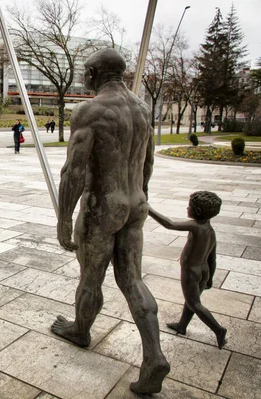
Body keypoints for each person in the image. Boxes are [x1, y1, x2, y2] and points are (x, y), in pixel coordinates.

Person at [51, 48, 169, 395]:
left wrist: (63, 217)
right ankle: (153, 356)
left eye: (84, 71)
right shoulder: (142, 108)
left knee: (91, 276)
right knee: (131, 279)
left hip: (103, 207)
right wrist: (140, 196)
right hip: (136, 204)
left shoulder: (90, 110)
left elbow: (74, 170)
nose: (83, 77)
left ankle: (80, 329)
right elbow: (147, 163)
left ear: (94, 72)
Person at [148, 191, 227, 349]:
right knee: (191, 300)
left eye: (189, 205)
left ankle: (218, 330)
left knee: (195, 303)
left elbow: (169, 224)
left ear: (197, 211)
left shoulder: (195, 226)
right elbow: (213, 257)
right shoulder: (210, 231)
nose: (187, 207)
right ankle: (182, 325)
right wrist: (210, 278)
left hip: (191, 273)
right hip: (203, 271)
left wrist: (148, 209)